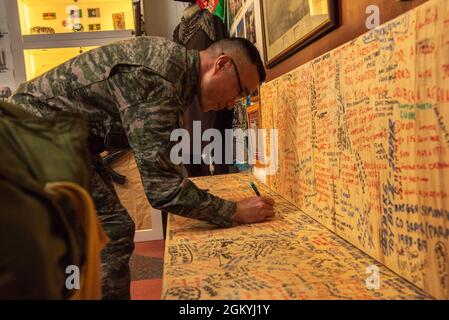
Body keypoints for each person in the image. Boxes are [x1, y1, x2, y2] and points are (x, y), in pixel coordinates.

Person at [8, 36, 275, 300]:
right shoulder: (159, 80)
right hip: (34, 132)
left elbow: (164, 167)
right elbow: (163, 190)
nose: (232, 103)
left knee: (92, 230)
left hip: (51, 134)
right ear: (222, 64)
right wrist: (235, 211)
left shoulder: (173, 70)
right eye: (239, 90)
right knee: (111, 229)